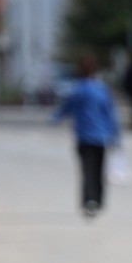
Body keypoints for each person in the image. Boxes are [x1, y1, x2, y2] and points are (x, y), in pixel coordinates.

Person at [53, 55, 122, 218]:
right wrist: (115, 135)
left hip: (84, 138)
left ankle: (88, 200)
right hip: (101, 137)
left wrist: (55, 118)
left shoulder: (77, 90)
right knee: (99, 170)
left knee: (87, 171)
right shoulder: (102, 90)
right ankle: (98, 200)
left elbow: (66, 109)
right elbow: (110, 114)